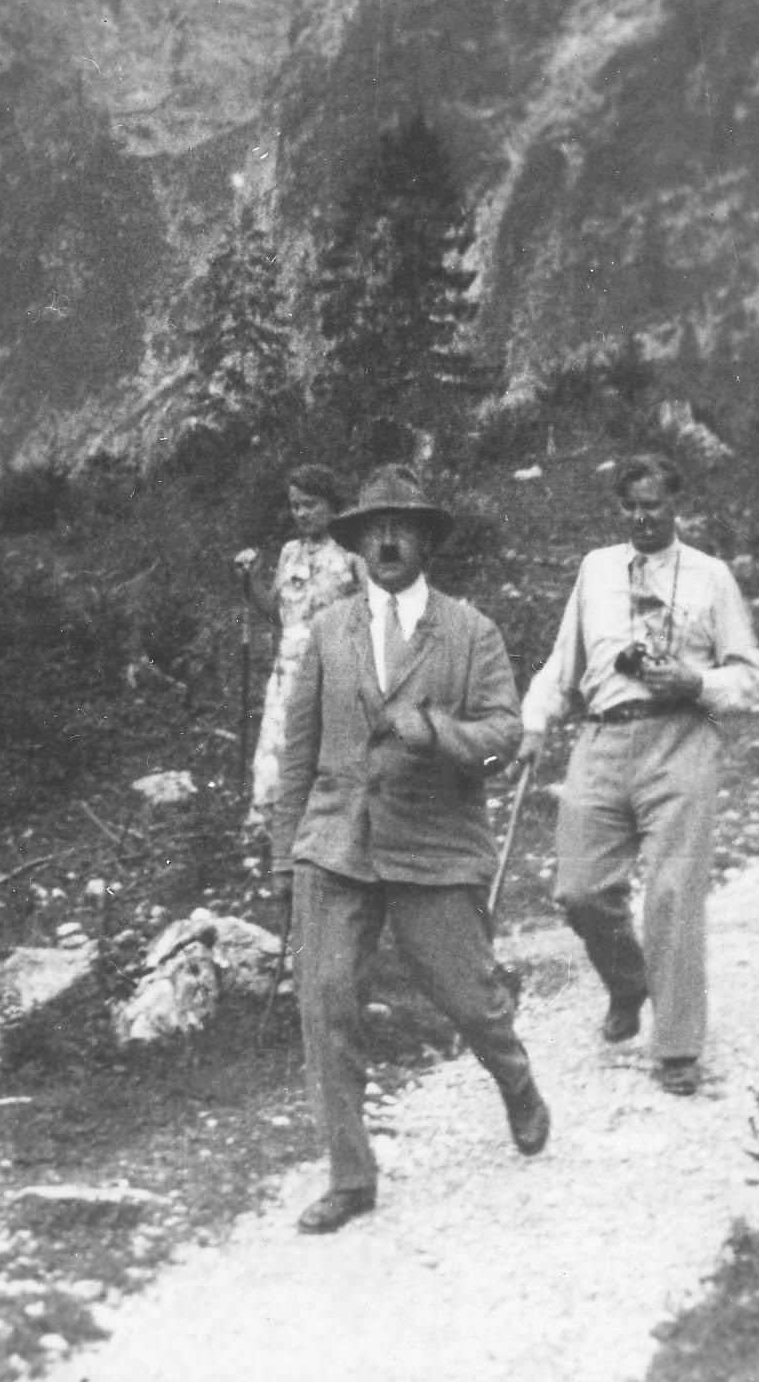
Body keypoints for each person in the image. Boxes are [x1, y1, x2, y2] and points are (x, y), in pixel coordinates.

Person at [272, 462, 550, 1235]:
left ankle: (516, 1080)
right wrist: (280, 853)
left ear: (427, 540)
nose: (388, 541)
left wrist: (434, 731)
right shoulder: (329, 632)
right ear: (357, 546)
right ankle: (351, 1179)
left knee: (469, 999)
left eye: (404, 528)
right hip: (335, 843)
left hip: (435, 842)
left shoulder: (471, 632)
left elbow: (502, 742)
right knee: (327, 1003)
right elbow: (298, 752)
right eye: (373, 530)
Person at [519, 452, 759, 1096]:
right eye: (630, 505)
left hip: (681, 738)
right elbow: (562, 659)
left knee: (672, 893)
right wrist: (535, 722)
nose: (641, 516)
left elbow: (748, 679)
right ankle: (630, 982)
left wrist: (696, 680)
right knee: (579, 888)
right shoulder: (596, 570)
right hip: (602, 736)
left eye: (653, 504)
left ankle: (678, 1047)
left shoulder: (711, 577)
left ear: (674, 504)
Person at [233, 465, 363, 833]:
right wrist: (249, 581)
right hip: (289, 667)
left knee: (331, 747)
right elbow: (276, 613)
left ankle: (333, 826)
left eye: (311, 504)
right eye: (295, 506)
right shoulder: (291, 552)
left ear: (331, 505)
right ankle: (277, 828)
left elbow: (375, 607)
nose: (302, 513)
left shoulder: (353, 551)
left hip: (337, 662)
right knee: (282, 747)